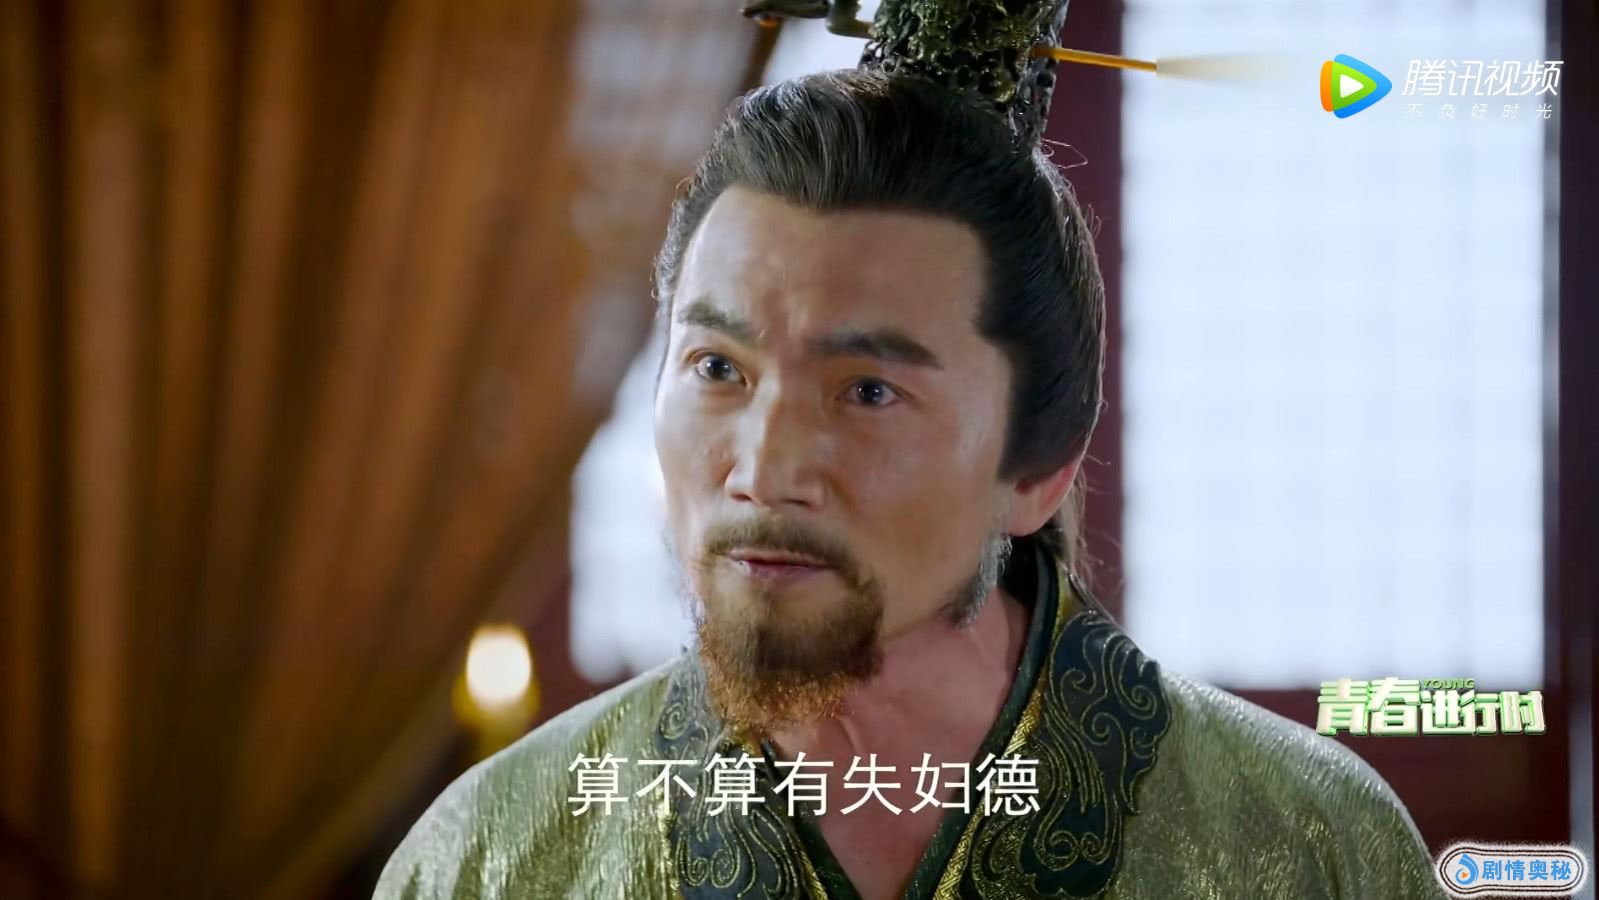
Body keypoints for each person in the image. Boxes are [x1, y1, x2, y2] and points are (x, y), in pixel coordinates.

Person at [375, 45, 1445, 900]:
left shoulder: (1309, 844)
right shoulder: (487, 859)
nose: (765, 470)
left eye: (868, 392)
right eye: (717, 369)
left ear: (1036, 469)